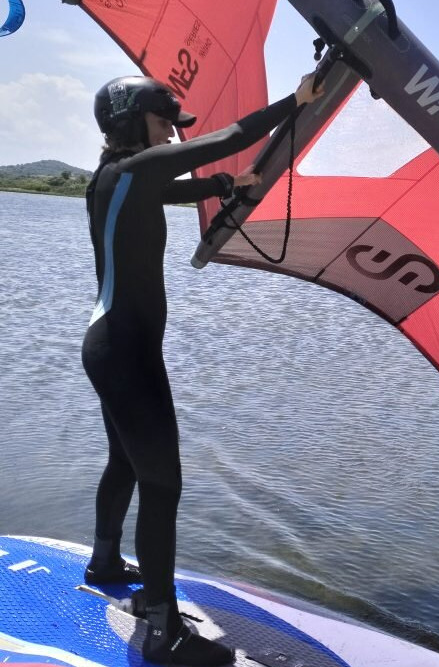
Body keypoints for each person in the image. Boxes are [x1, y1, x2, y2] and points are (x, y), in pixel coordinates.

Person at [81, 71, 323, 666]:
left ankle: (106, 561)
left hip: (115, 347)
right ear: (131, 120)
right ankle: (162, 630)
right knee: (163, 484)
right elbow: (228, 135)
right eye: (163, 122)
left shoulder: (115, 178)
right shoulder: (136, 170)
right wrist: (296, 103)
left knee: (126, 462)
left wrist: (223, 184)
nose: (170, 133)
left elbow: (179, 188)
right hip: (126, 352)